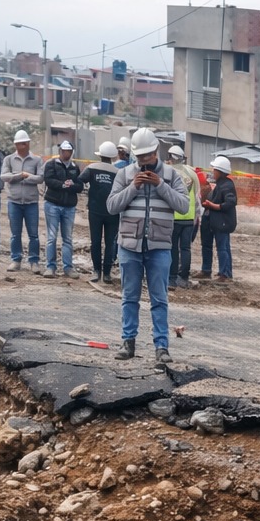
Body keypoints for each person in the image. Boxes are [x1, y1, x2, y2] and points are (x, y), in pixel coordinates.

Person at [106, 127, 189, 365]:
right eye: (139, 157)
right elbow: (112, 206)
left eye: (147, 157)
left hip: (160, 246)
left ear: (156, 151)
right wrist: (134, 187)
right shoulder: (124, 175)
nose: (144, 162)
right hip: (129, 246)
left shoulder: (172, 176)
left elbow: (183, 206)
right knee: (129, 296)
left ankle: (161, 347)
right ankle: (128, 342)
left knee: (159, 298)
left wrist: (161, 185)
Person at [79, 141, 120, 286]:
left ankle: (97, 271)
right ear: (113, 157)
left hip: (95, 211)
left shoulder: (91, 168)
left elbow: (79, 181)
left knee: (95, 242)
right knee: (110, 243)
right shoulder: (117, 173)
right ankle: (107, 274)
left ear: (100, 155)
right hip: (113, 213)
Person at [2, 130, 42, 272]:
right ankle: (16, 259)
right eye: (21, 143)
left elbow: (40, 178)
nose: (23, 146)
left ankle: (34, 261)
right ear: (16, 145)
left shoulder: (36, 160)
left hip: (31, 202)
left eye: (25, 143)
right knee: (15, 233)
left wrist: (26, 176)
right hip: (14, 201)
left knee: (33, 234)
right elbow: (4, 176)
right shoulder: (9, 160)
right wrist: (19, 176)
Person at [41, 140, 81, 279]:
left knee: (67, 238)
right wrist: (63, 185)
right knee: (51, 237)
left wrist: (72, 185)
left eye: (69, 152)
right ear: (60, 152)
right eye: (64, 151)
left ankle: (68, 267)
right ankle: (50, 267)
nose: (66, 154)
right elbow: (48, 180)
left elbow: (80, 186)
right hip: (53, 204)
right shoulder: (51, 164)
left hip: (69, 206)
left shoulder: (75, 168)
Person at [166, 145, 200, 290]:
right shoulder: (192, 173)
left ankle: (172, 278)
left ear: (171, 157)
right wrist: (197, 215)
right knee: (185, 248)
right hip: (189, 217)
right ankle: (184, 277)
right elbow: (198, 196)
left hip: (174, 216)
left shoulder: (169, 172)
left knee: (173, 248)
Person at [199, 156, 237, 282]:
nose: (212, 172)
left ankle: (225, 274)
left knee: (222, 248)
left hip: (222, 223)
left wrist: (212, 206)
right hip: (212, 221)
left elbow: (230, 203)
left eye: (214, 170)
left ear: (220, 171)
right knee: (207, 246)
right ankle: (206, 270)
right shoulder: (219, 185)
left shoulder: (227, 185)